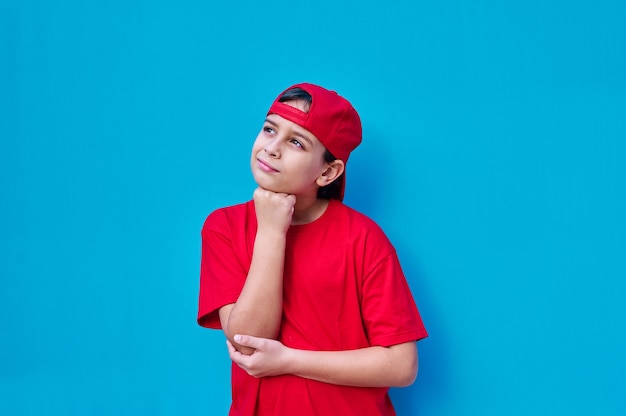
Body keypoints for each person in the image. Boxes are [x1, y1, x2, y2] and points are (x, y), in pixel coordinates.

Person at [197, 82, 428, 415]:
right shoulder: (224, 227)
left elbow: (402, 364)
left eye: (295, 142)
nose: (271, 148)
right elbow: (245, 340)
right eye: (268, 129)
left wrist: (289, 360)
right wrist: (272, 232)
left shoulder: (364, 238)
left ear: (328, 171)